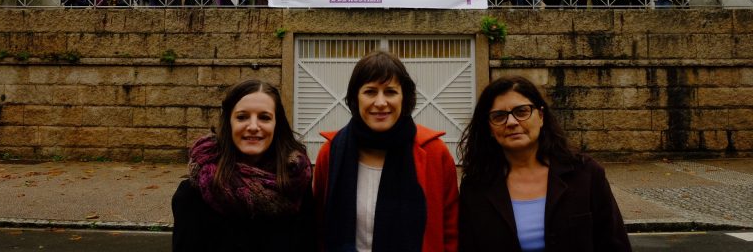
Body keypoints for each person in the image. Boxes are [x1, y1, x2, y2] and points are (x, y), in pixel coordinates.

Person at [458, 75, 631, 252]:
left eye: (522, 111)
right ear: (489, 128)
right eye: (499, 116)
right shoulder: (476, 185)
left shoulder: (586, 174)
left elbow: (615, 245)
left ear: (541, 116)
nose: (511, 122)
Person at [313, 51, 458, 252]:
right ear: (355, 97)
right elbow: (318, 227)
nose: (381, 102)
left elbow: (451, 232)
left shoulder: (435, 152)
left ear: (404, 97)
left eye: (390, 91)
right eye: (370, 91)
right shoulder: (330, 152)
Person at [172, 80, 316, 252]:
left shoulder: (295, 182)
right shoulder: (195, 193)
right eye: (242, 117)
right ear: (229, 123)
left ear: (277, 125)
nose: (253, 127)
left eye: (264, 117)